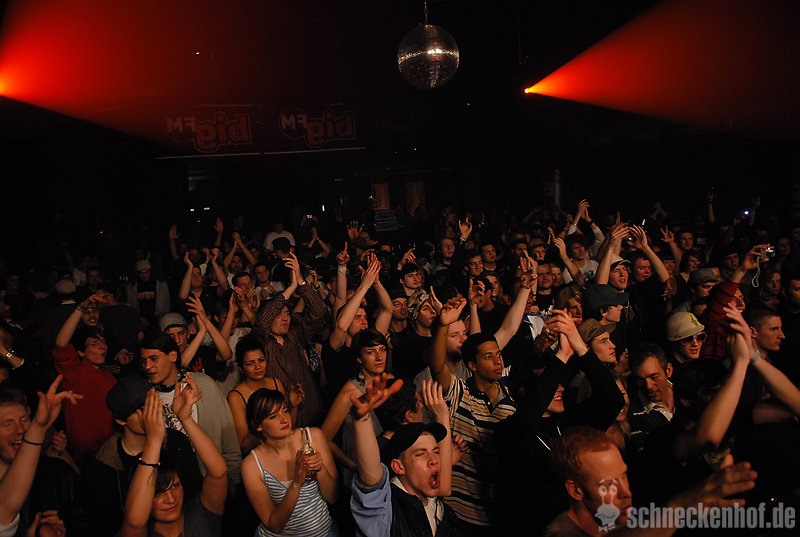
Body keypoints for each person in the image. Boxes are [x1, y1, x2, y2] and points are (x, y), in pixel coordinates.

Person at [542, 425, 758, 537]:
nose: (626, 492)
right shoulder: (559, 533)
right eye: (608, 485)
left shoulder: (620, 520)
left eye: (624, 476)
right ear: (576, 490)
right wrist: (679, 508)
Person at [349, 374, 462, 537]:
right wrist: (362, 420)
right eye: (421, 454)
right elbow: (372, 484)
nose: (434, 460)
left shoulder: (440, 510)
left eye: (436, 451)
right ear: (398, 466)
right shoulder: (389, 514)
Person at [117, 378, 228, 537]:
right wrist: (154, 440)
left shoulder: (200, 515)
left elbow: (219, 472)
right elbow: (134, 521)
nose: (170, 499)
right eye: (158, 493)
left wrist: (186, 419)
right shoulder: (141, 532)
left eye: (175, 486)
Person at [139, 331, 242, 493]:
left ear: (172, 356)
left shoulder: (203, 385)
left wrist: (233, 480)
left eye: (154, 359)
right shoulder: (146, 396)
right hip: (171, 490)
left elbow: (228, 436)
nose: (148, 366)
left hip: (211, 482)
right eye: (143, 361)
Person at [241, 388, 338, 537]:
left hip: (323, 532)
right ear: (259, 425)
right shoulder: (251, 465)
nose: (284, 419)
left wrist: (320, 468)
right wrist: (296, 484)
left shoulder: (313, 437)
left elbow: (333, 497)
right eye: (273, 416)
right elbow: (275, 525)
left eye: (285, 411)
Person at [226, 334, 305, 453]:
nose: (258, 367)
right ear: (241, 368)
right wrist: (265, 425)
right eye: (250, 363)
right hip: (261, 453)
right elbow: (244, 445)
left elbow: (288, 427)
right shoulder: (236, 396)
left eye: (261, 360)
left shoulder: (276, 383)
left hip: (284, 447)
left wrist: (293, 407)